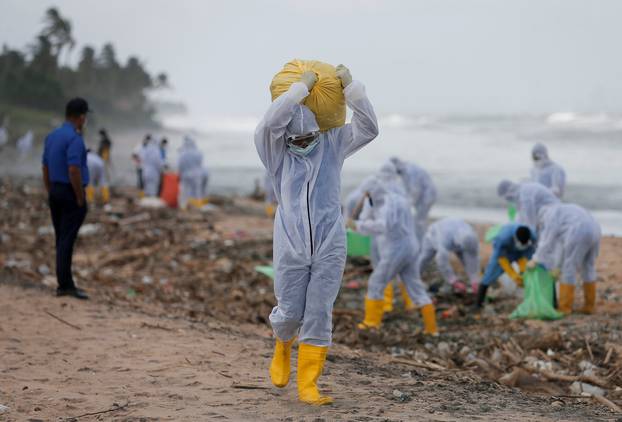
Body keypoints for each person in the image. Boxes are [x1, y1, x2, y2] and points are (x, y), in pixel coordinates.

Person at [255, 64, 378, 405]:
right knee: (290, 310)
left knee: (320, 309)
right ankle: (282, 345)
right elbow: (268, 124)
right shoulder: (276, 154)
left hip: (330, 239)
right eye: (296, 139)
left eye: (308, 137)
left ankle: (309, 382)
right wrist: (298, 91)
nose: (303, 144)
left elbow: (369, 129)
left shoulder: (333, 143)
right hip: (291, 240)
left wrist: (353, 89)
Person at [350, 179, 438, 335]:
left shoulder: (385, 204)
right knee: (415, 285)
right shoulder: (397, 200)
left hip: (398, 248)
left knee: (376, 282)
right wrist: (362, 220)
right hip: (412, 246)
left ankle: (371, 323)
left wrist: (358, 226)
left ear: (373, 192)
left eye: (368, 194)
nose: (367, 197)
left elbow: (383, 226)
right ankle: (431, 329)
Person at [41, 98, 91, 300]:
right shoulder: (75, 139)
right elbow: (73, 169)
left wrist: (50, 189)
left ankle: (65, 281)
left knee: (61, 237)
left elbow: (45, 166)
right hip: (70, 192)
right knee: (66, 240)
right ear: (81, 117)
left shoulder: (52, 136)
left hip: (55, 190)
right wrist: (79, 196)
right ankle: (65, 284)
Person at [531, 203, 601, 314]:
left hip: (579, 230)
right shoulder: (563, 211)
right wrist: (557, 267)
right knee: (588, 267)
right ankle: (589, 306)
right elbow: (562, 247)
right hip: (595, 230)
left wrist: (535, 259)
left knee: (569, 269)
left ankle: (565, 307)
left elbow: (547, 241)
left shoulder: (550, 215)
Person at [476, 223, 536, 308]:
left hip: (522, 252)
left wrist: (524, 270)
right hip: (504, 253)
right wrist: (513, 275)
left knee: (530, 271)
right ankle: (478, 303)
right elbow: (501, 258)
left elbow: (530, 252)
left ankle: (532, 301)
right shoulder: (503, 237)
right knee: (489, 274)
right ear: (516, 238)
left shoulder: (532, 235)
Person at [418, 218, 481, 295]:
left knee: (466, 260)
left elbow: (472, 258)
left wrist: (474, 280)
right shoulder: (444, 238)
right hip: (433, 236)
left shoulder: (471, 235)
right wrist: (454, 282)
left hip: (457, 238)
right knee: (424, 259)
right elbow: (442, 262)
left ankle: (473, 282)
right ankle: (414, 279)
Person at [390, 157, 437, 240]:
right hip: (422, 197)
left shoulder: (409, 170)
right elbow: (407, 189)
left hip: (427, 196)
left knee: (419, 221)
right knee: (420, 220)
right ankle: (423, 239)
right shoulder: (405, 171)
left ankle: (423, 241)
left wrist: (407, 204)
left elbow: (415, 190)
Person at [177, 136, 204, 208]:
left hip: (185, 174)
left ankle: (183, 207)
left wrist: (179, 174)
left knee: (184, 191)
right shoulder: (198, 153)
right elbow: (200, 164)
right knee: (197, 191)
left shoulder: (183, 153)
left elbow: (180, 165)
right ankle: (197, 206)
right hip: (196, 174)